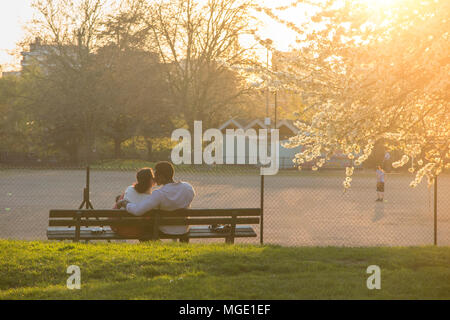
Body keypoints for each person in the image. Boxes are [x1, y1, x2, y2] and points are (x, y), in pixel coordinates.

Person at [117, 161, 195, 236]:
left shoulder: (159, 194)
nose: (154, 179)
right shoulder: (187, 187)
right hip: (184, 229)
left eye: (156, 176)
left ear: (162, 177)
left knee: (146, 227)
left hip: (165, 230)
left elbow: (138, 211)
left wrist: (125, 203)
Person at [112, 168, 156, 238]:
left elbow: (115, 208)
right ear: (151, 181)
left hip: (121, 230)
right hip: (140, 231)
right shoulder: (151, 198)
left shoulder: (129, 189)